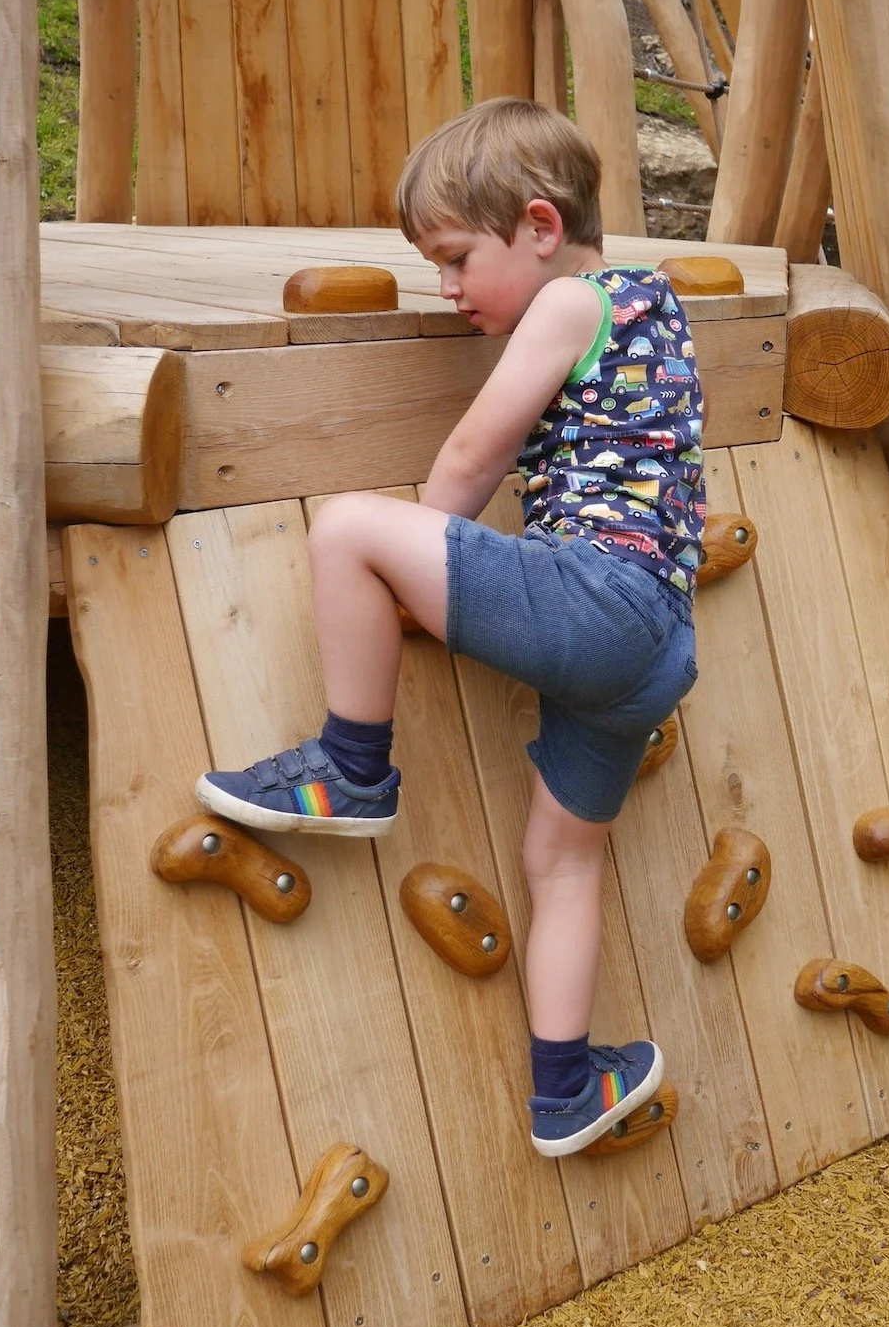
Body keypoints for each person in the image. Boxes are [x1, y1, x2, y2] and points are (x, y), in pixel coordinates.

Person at [197, 98, 703, 1156]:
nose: (447, 287)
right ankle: (566, 1085)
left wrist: (412, 561)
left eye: (456, 258)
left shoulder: (571, 305)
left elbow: (477, 451)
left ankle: (352, 770)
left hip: (597, 597)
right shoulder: (656, 304)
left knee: (345, 532)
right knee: (561, 862)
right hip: (654, 643)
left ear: (539, 226)